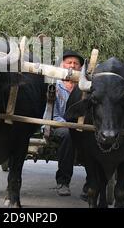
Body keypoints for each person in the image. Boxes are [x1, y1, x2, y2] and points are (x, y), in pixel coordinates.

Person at [44, 50, 84, 196]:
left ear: (80, 68)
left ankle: (92, 183)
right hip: (57, 126)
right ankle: (63, 182)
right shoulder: (53, 86)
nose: (72, 66)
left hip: (80, 127)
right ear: (62, 65)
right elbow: (53, 115)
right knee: (67, 134)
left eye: (76, 63)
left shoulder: (84, 88)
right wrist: (68, 125)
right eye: (69, 62)